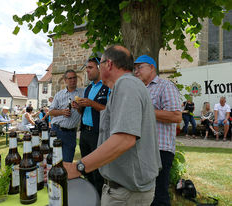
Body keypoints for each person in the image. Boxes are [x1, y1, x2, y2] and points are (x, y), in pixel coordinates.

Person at [64, 46, 161, 206]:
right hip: (124, 189)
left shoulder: (126, 84)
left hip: (126, 193)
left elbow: (124, 139)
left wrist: (78, 167)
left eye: (99, 63)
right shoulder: (125, 86)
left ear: (108, 64)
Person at [134, 55, 182, 206]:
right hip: (141, 148)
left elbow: (176, 116)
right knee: (144, 194)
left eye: (140, 67)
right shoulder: (140, 89)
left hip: (160, 149)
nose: (136, 71)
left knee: (158, 195)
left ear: (152, 67)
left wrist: (145, 110)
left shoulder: (165, 86)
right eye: (134, 68)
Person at [76, 57, 110, 196]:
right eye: (86, 68)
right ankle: (90, 194)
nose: (87, 71)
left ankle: (99, 197)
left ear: (99, 68)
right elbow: (84, 111)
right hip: (85, 132)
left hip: (98, 133)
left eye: (90, 68)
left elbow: (109, 110)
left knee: (98, 169)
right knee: (86, 166)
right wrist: (79, 107)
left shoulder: (107, 86)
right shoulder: (89, 88)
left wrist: (91, 103)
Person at [49, 70, 84, 162]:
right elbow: (50, 112)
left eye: (74, 77)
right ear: (65, 80)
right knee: (53, 160)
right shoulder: (59, 95)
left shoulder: (83, 93)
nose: (73, 80)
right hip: (56, 131)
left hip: (71, 133)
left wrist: (78, 108)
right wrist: (62, 112)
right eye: (70, 78)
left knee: (67, 161)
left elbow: (84, 112)